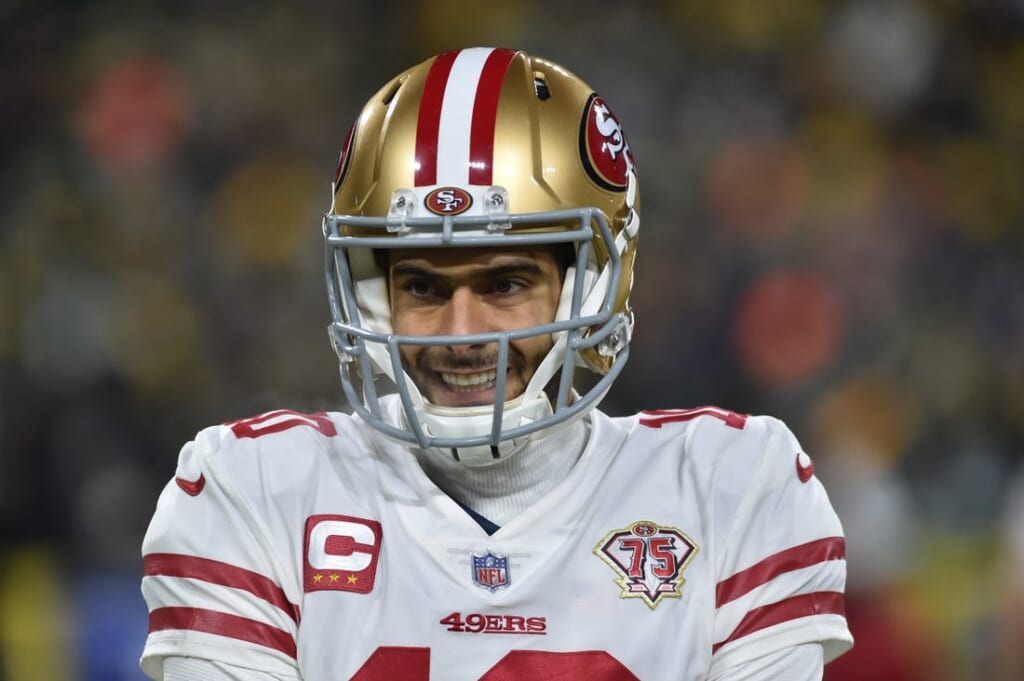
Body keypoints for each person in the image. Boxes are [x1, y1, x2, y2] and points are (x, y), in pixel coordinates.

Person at [139, 47, 853, 680]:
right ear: (372, 299)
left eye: (505, 284)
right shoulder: (253, 492)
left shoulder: (731, 487)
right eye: (422, 286)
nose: (462, 332)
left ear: (592, 284)